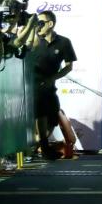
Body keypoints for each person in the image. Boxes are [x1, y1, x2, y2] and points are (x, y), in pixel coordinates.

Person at [29, 11, 77, 159]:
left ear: (50, 24)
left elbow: (69, 66)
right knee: (40, 114)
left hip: (50, 85)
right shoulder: (34, 41)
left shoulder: (64, 42)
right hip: (32, 85)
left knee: (53, 116)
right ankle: (43, 146)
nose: (39, 26)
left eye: (41, 22)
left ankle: (38, 144)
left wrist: (53, 78)